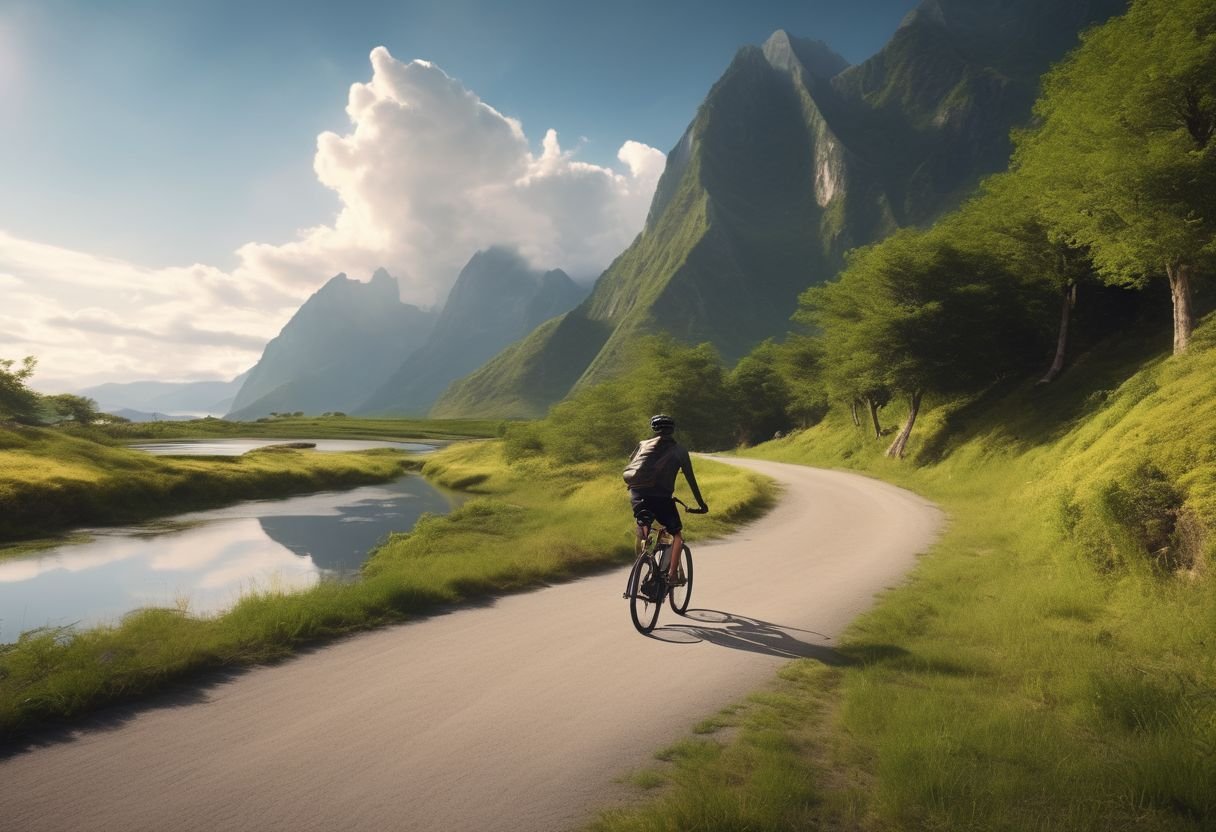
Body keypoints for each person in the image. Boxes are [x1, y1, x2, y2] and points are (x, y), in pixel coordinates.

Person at [625, 414, 709, 585]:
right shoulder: (679, 451)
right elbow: (691, 480)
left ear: (653, 429)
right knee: (676, 534)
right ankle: (671, 576)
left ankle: (642, 559)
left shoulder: (642, 445)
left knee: (643, 524)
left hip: (637, 495)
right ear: (672, 430)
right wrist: (702, 505)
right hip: (662, 499)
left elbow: (631, 465)